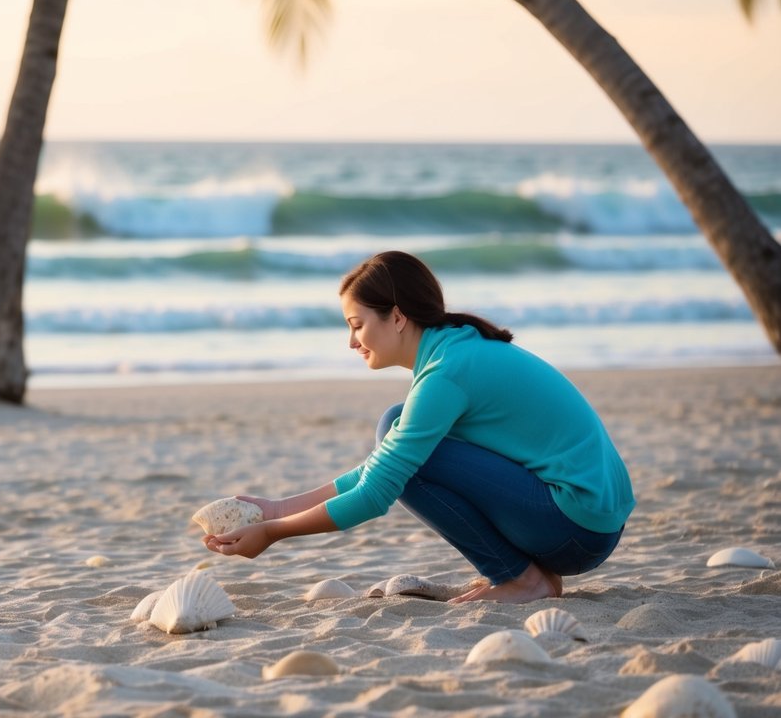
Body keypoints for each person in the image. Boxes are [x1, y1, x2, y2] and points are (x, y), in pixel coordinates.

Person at [202, 250, 635, 603]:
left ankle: (523, 580)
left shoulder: (446, 374)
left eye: (357, 325)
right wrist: (278, 508)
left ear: (397, 316)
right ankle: (527, 577)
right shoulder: (455, 350)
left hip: (575, 526)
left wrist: (273, 532)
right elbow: (380, 468)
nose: (352, 342)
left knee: (398, 436)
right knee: (396, 428)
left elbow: (376, 492)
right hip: (591, 521)